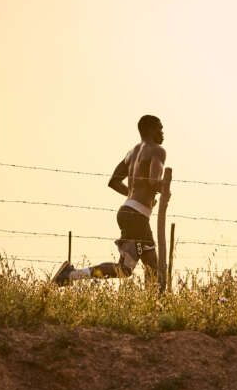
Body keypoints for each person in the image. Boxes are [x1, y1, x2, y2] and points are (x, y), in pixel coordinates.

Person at [51, 115, 168, 286]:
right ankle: (70, 275)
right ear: (150, 129)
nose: (162, 132)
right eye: (160, 128)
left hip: (127, 211)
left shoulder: (132, 152)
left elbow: (114, 181)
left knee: (126, 269)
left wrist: (136, 196)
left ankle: (71, 275)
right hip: (137, 216)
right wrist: (164, 188)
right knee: (152, 269)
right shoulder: (158, 150)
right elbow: (153, 181)